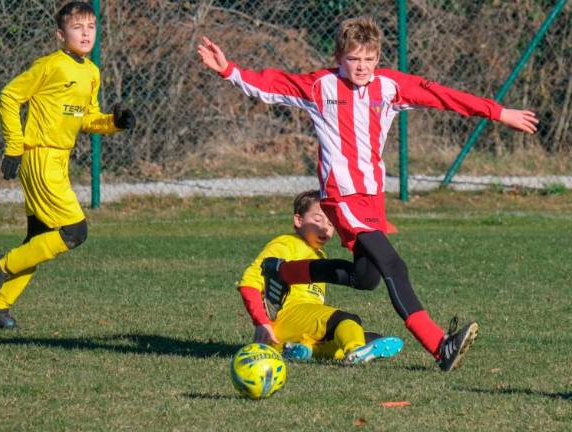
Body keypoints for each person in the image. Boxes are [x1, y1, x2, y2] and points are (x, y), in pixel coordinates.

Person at [198, 16, 538, 371]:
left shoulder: (390, 86)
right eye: (353, 59)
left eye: (368, 59)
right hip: (341, 197)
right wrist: (229, 70)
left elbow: (442, 96)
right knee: (394, 265)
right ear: (339, 58)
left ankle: (284, 274)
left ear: (378, 58)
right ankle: (440, 346)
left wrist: (498, 113)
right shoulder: (321, 86)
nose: (361, 67)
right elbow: (270, 85)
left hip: (372, 199)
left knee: (367, 277)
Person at [0, 1, 135, 328]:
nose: (85, 33)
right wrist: (14, 146)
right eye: (77, 27)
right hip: (39, 155)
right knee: (75, 231)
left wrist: (114, 122)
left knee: (38, 239)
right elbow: (9, 96)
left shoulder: (91, 72)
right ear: (60, 34)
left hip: (58, 159)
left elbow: (88, 119)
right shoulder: (50, 65)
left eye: (91, 27)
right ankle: (0, 267)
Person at [238, 190, 403, 363]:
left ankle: (302, 350)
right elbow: (249, 282)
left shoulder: (319, 256)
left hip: (296, 330)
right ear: (298, 220)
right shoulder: (286, 244)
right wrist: (261, 322)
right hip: (287, 316)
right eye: (318, 219)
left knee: (369, 336)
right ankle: (355, 351)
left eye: (331, 223)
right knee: (346, 320)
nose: (325, 227)